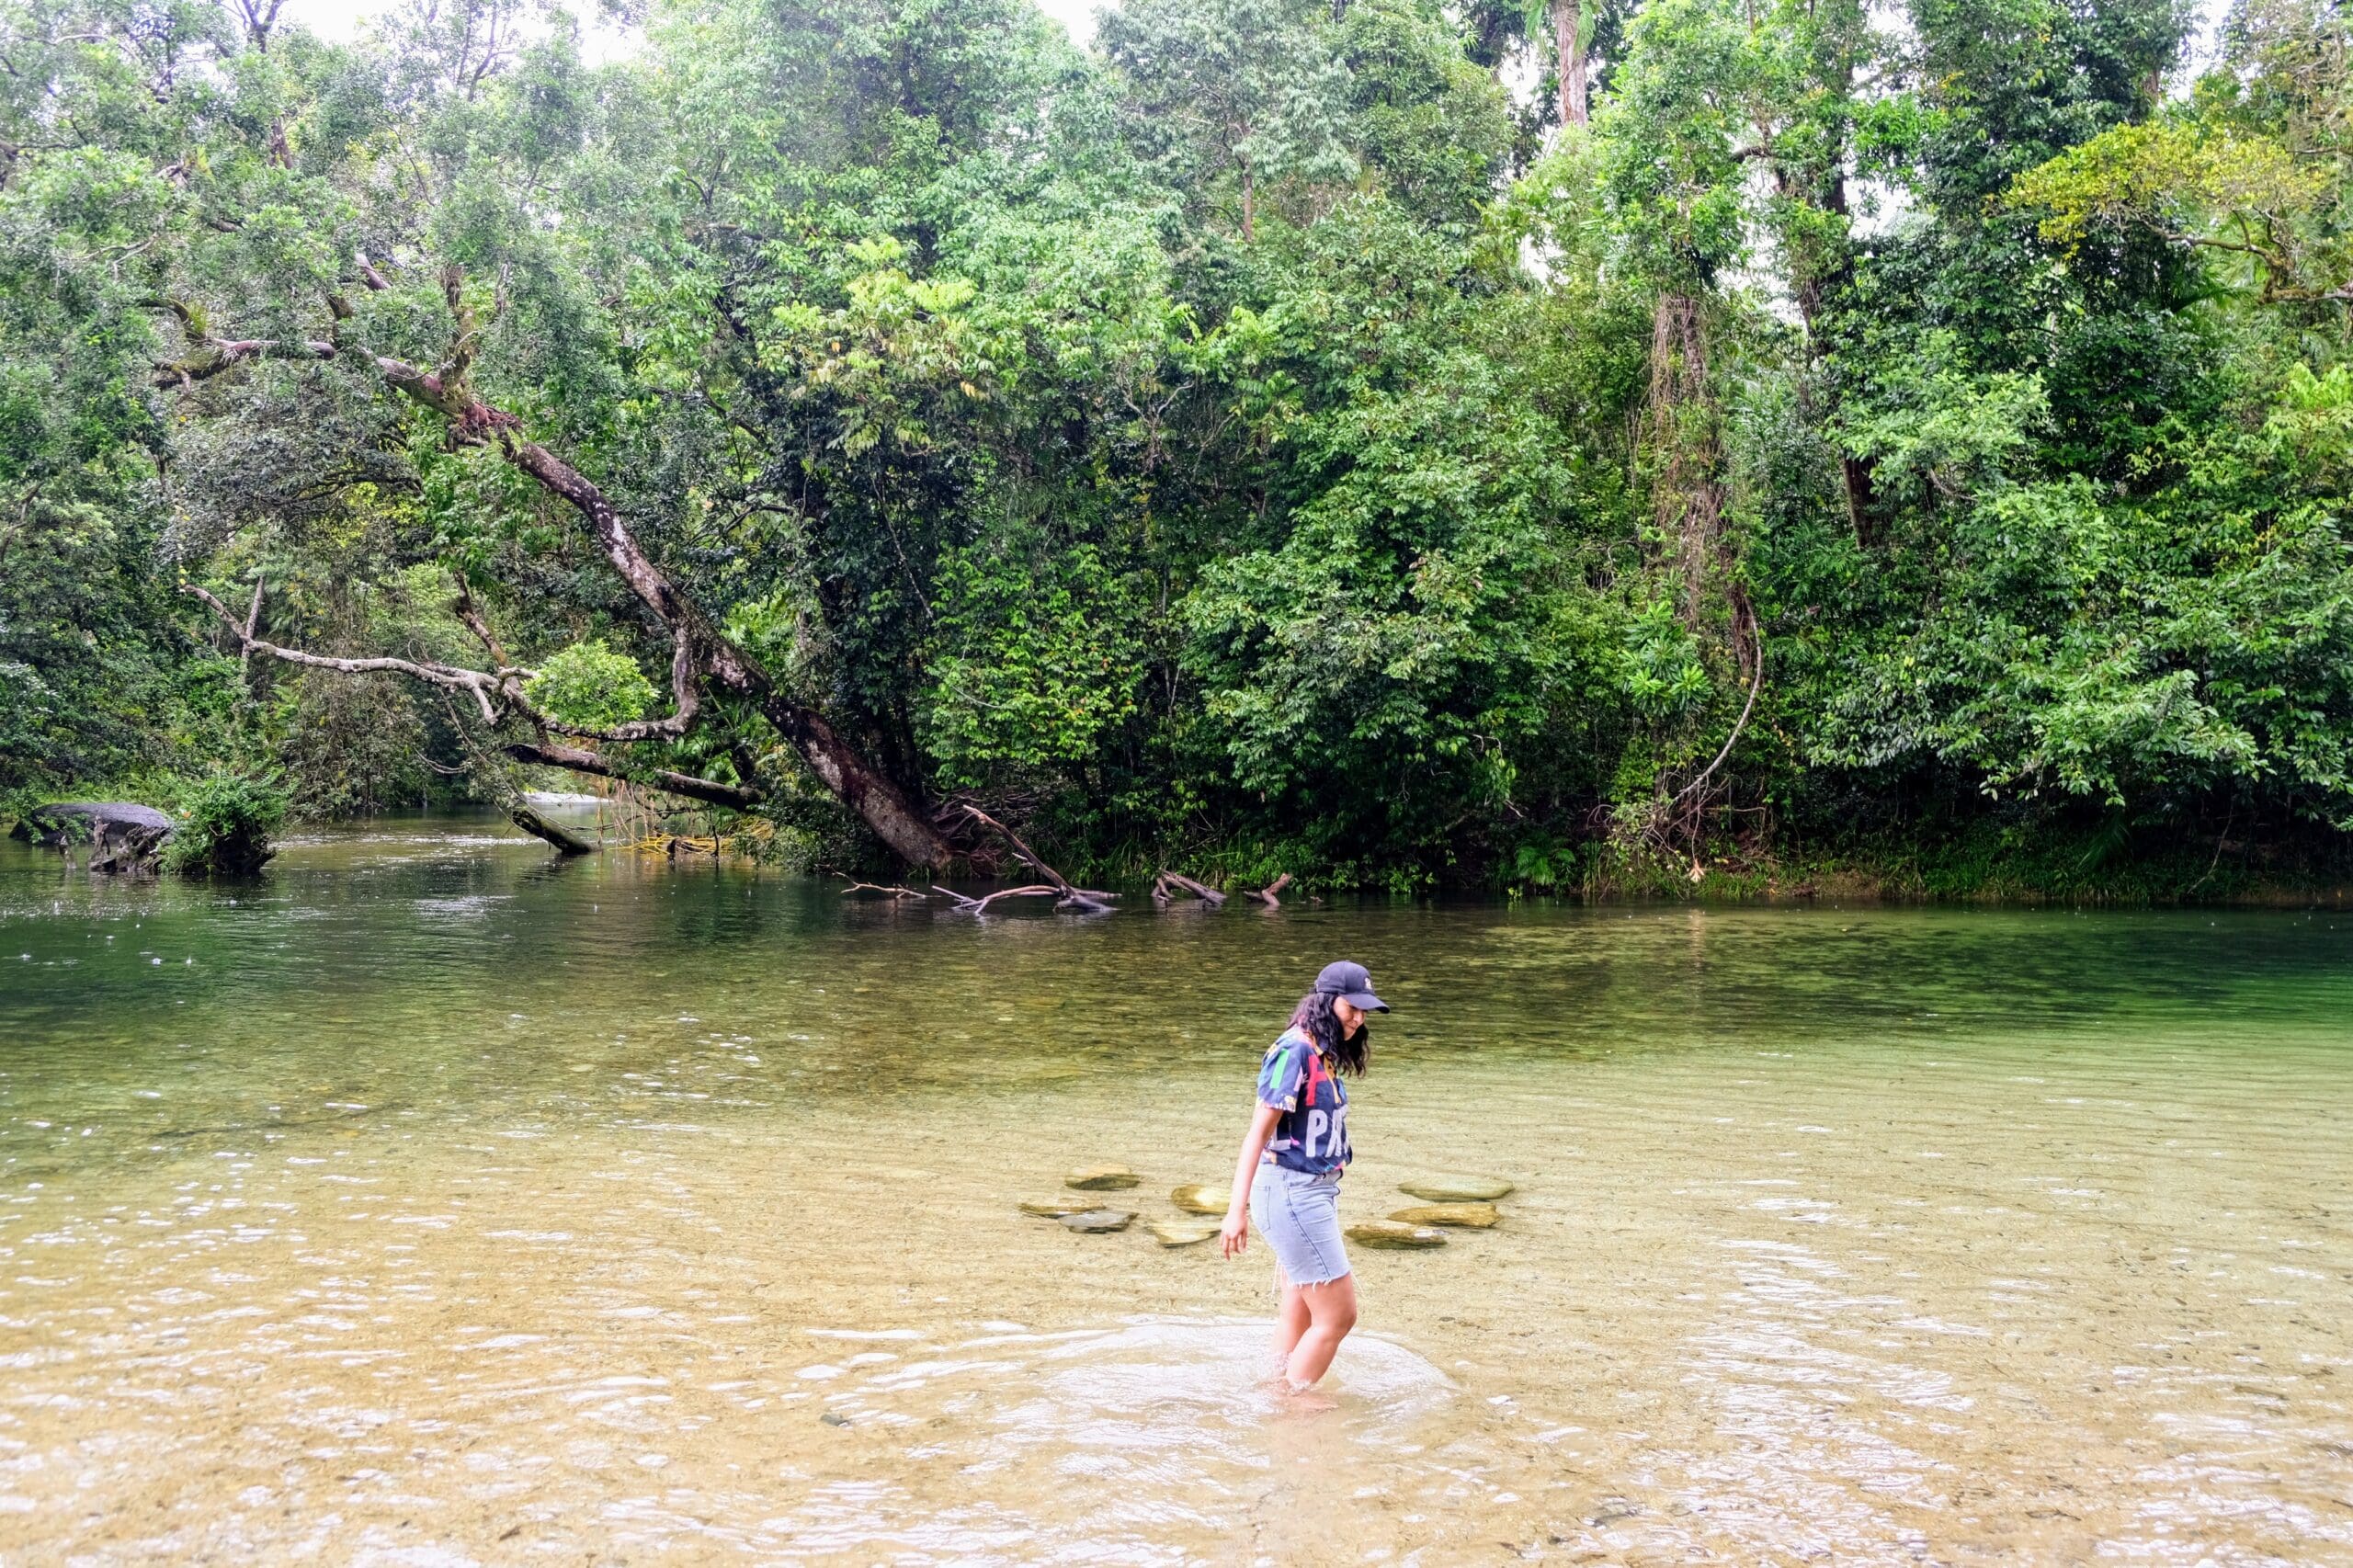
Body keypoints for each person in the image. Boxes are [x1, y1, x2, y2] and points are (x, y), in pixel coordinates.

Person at [1219, 960, 1387, 1392]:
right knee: (1338, 1316)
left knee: (1301, 1307)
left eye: (1365, 1011)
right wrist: (1235, 1211)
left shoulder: (1321, 1052)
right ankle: (1294, 1403)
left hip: (1310, 1193)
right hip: (1292, 1193)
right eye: (1353, 1008)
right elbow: (1256, 1135)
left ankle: (1274, 1385)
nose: (1360, 1019)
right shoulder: (1293, 1051)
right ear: (1328, 1002)